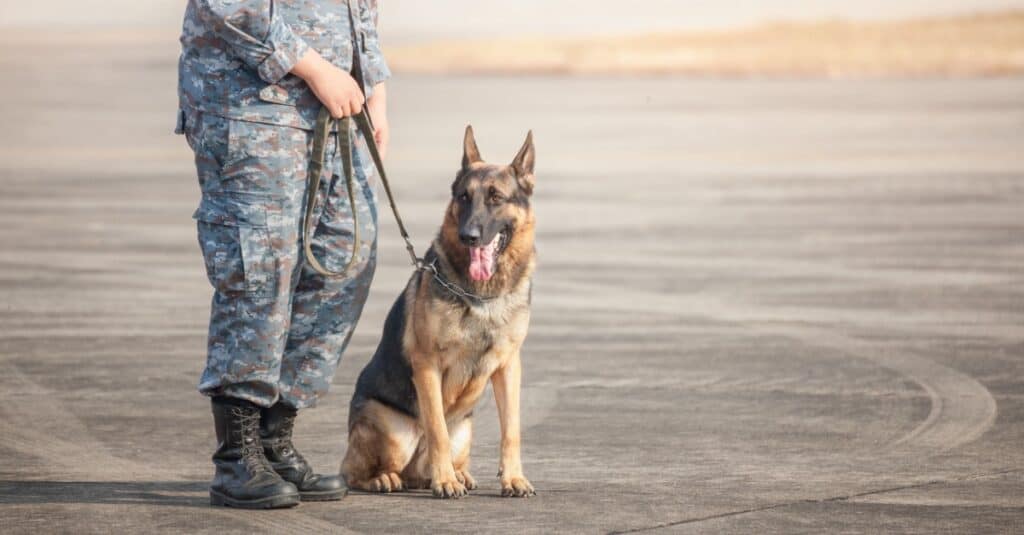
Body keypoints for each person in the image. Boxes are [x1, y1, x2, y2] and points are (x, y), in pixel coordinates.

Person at [175, 0, 391, 509]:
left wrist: (375, 84)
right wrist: (314, 68)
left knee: (346, 258)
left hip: (336, 110)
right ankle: (237, 455)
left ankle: (274, 436)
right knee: (261, 268)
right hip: (251, 109)